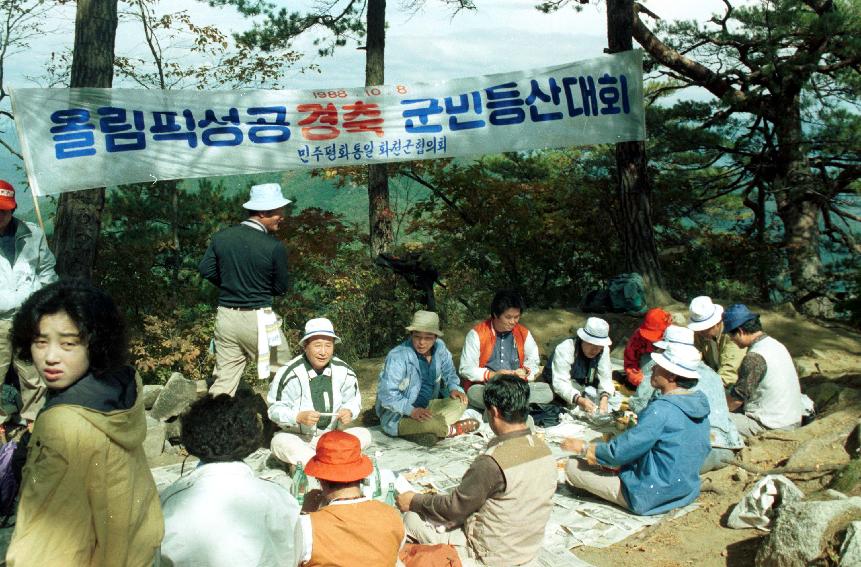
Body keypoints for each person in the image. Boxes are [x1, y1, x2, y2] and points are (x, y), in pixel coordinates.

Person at [6, 280, 163, 566]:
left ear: (97, 342)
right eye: (40, 342)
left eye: (68, 343)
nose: (50, 357)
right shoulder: (121, 388)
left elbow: (49, 542)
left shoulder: (63, 424)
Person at [397, 375, 557, 567]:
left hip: (490, 555)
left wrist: (414, 500)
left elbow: (453, 509)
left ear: (494, 412)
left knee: (411, 519)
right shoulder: (543, 449)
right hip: (527, 549)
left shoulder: (492, 462)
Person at [562, 344, 711, 515]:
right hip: (684, 490)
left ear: (671, 375)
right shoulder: (699, 405)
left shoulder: (662, 410)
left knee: (573, 466)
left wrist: (584, 448)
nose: (653, 368)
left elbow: (619, 452)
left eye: (659, 366)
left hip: (649, 495)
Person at [160, 393, 302, 567]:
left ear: (190, 438)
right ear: (252, 436)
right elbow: (294, 556)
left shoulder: (168, 502)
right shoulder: (281, 498)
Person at [199, 183, 293, 397]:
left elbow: (205, 269)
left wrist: (231, 284)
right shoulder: (273, 246)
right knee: (286, 372)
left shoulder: (221, 238)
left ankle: (212, 425)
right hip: (259, 319)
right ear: (263, 212)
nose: (282, 216)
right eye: (279, 212)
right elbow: (280, 288)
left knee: (225, 379)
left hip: (225, 317)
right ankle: (291, 424)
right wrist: (256, 287)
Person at [629, 325, 744, 472]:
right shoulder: (713, 375)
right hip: (727, 449)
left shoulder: (665, 374)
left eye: (660, 350)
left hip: (694, 456)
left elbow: (642, 411)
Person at [268, 317, 371, 466]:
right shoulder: (289, 373)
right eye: (317, 345)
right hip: (301, 438)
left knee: (364, 435)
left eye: (328, 346)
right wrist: (297, 417)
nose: (323, 352)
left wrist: (349, 411)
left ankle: (315, 464)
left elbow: (354, 401)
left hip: (333, 438)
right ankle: (330, 462)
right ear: (305, 346)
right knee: (279, 442)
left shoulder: (344, 371)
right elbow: (274, 409)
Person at [300, 430, 405, 566]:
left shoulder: (307, 526)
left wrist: (305, 512)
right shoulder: (392, 515)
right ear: (361, 475)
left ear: (320, 479)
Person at [0, 180, 57, 429]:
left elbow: (47, 272)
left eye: (3, 210)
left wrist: (47, 305)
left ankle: (34, 422)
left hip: (28, 317)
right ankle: (1, 423)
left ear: (12, 208)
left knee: (33, 373)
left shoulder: (32, 233)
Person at [376, 310, 477, 447]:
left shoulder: (439, 348)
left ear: (435, 337)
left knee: (461, 401)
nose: (422, 342)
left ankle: (425, 432)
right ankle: (452, 429)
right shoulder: (398, 356)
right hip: (401, 416)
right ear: (411, 334)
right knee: (433, 423)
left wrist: (453, 387)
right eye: (417, 336)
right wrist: (412, 411)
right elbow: (386, 395)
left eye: (428, 337)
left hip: (428, 409)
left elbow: (450, 373)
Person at [459, 289, 551, 410]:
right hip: (488, 388)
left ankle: (498, 410)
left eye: (517, 317)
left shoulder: (523, 333)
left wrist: (525, 371)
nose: (513, 322)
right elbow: (465, 369)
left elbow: (533, 360)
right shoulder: (476, 334)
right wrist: (493, 375)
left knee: (547, 391)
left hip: (514, 388)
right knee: (473, 393)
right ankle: (515, 408)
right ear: (495, 314)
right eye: (508, 317)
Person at [723, 304, 805, 437]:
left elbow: (737, 399)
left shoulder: (755, 357)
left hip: (771, 426)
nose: (731, 340)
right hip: (792, 419)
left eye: (731, 335)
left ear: (741, 331)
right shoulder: (776, 345)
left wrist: (716, 410)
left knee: (712, 420)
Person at [547, 317, 615, 414]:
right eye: (592, 345)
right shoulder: (566, 348)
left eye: (599, 347)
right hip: (558, 382)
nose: (595, 350)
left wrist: (604, 399)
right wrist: (579, 400)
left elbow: (606, 376)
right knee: (551, 395)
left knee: (612, 398)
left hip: (584, 383)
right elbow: (560, 382)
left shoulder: (603, 350)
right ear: (583, 339)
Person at [687, 295, 745, 387]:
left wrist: (706, 388)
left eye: (705, 329)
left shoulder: (732, 335)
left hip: (735, 387)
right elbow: (694, 358)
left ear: (717, 323)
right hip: (712, 379)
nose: (700, 332)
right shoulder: (700, 334)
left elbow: (729, 373)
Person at [623, 308, 672, 387]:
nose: (651, 339)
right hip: (647, 367)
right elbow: (630, 358)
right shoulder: (638, 336)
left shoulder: (674, 336)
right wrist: (634, 375)